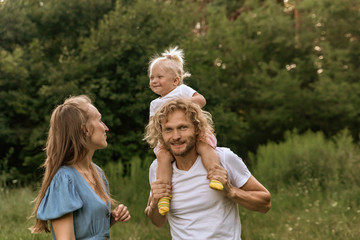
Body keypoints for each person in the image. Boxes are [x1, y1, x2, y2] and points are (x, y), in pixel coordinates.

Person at [144, 98, 271, 239]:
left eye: (183, 127)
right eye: (168, 130)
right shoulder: (158, 168)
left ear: (197, 129)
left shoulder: (223, 159)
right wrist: (154, 203)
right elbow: (158, 222)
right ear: (161, 133)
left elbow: (265, 203)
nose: (176, 136)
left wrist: (231, 191)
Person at [29, 95, 131, 239]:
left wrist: (112, 218)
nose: (106, 128)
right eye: (100, 120)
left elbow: (86, 231)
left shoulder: (97, 172)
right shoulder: (64, 179)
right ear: (85, 130)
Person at [147, 46, 223, 216]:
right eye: (151, 77)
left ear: (175, 80)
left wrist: (182, 103)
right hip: (168, 140)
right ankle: (164, 196)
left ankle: (216, 174)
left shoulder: (182, 90)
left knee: (204, 147)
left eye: (159, 77)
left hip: (192, 135)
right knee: (162, 157)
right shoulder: (154, 104)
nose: (154, 80)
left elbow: (201, 100)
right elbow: (153, 126)